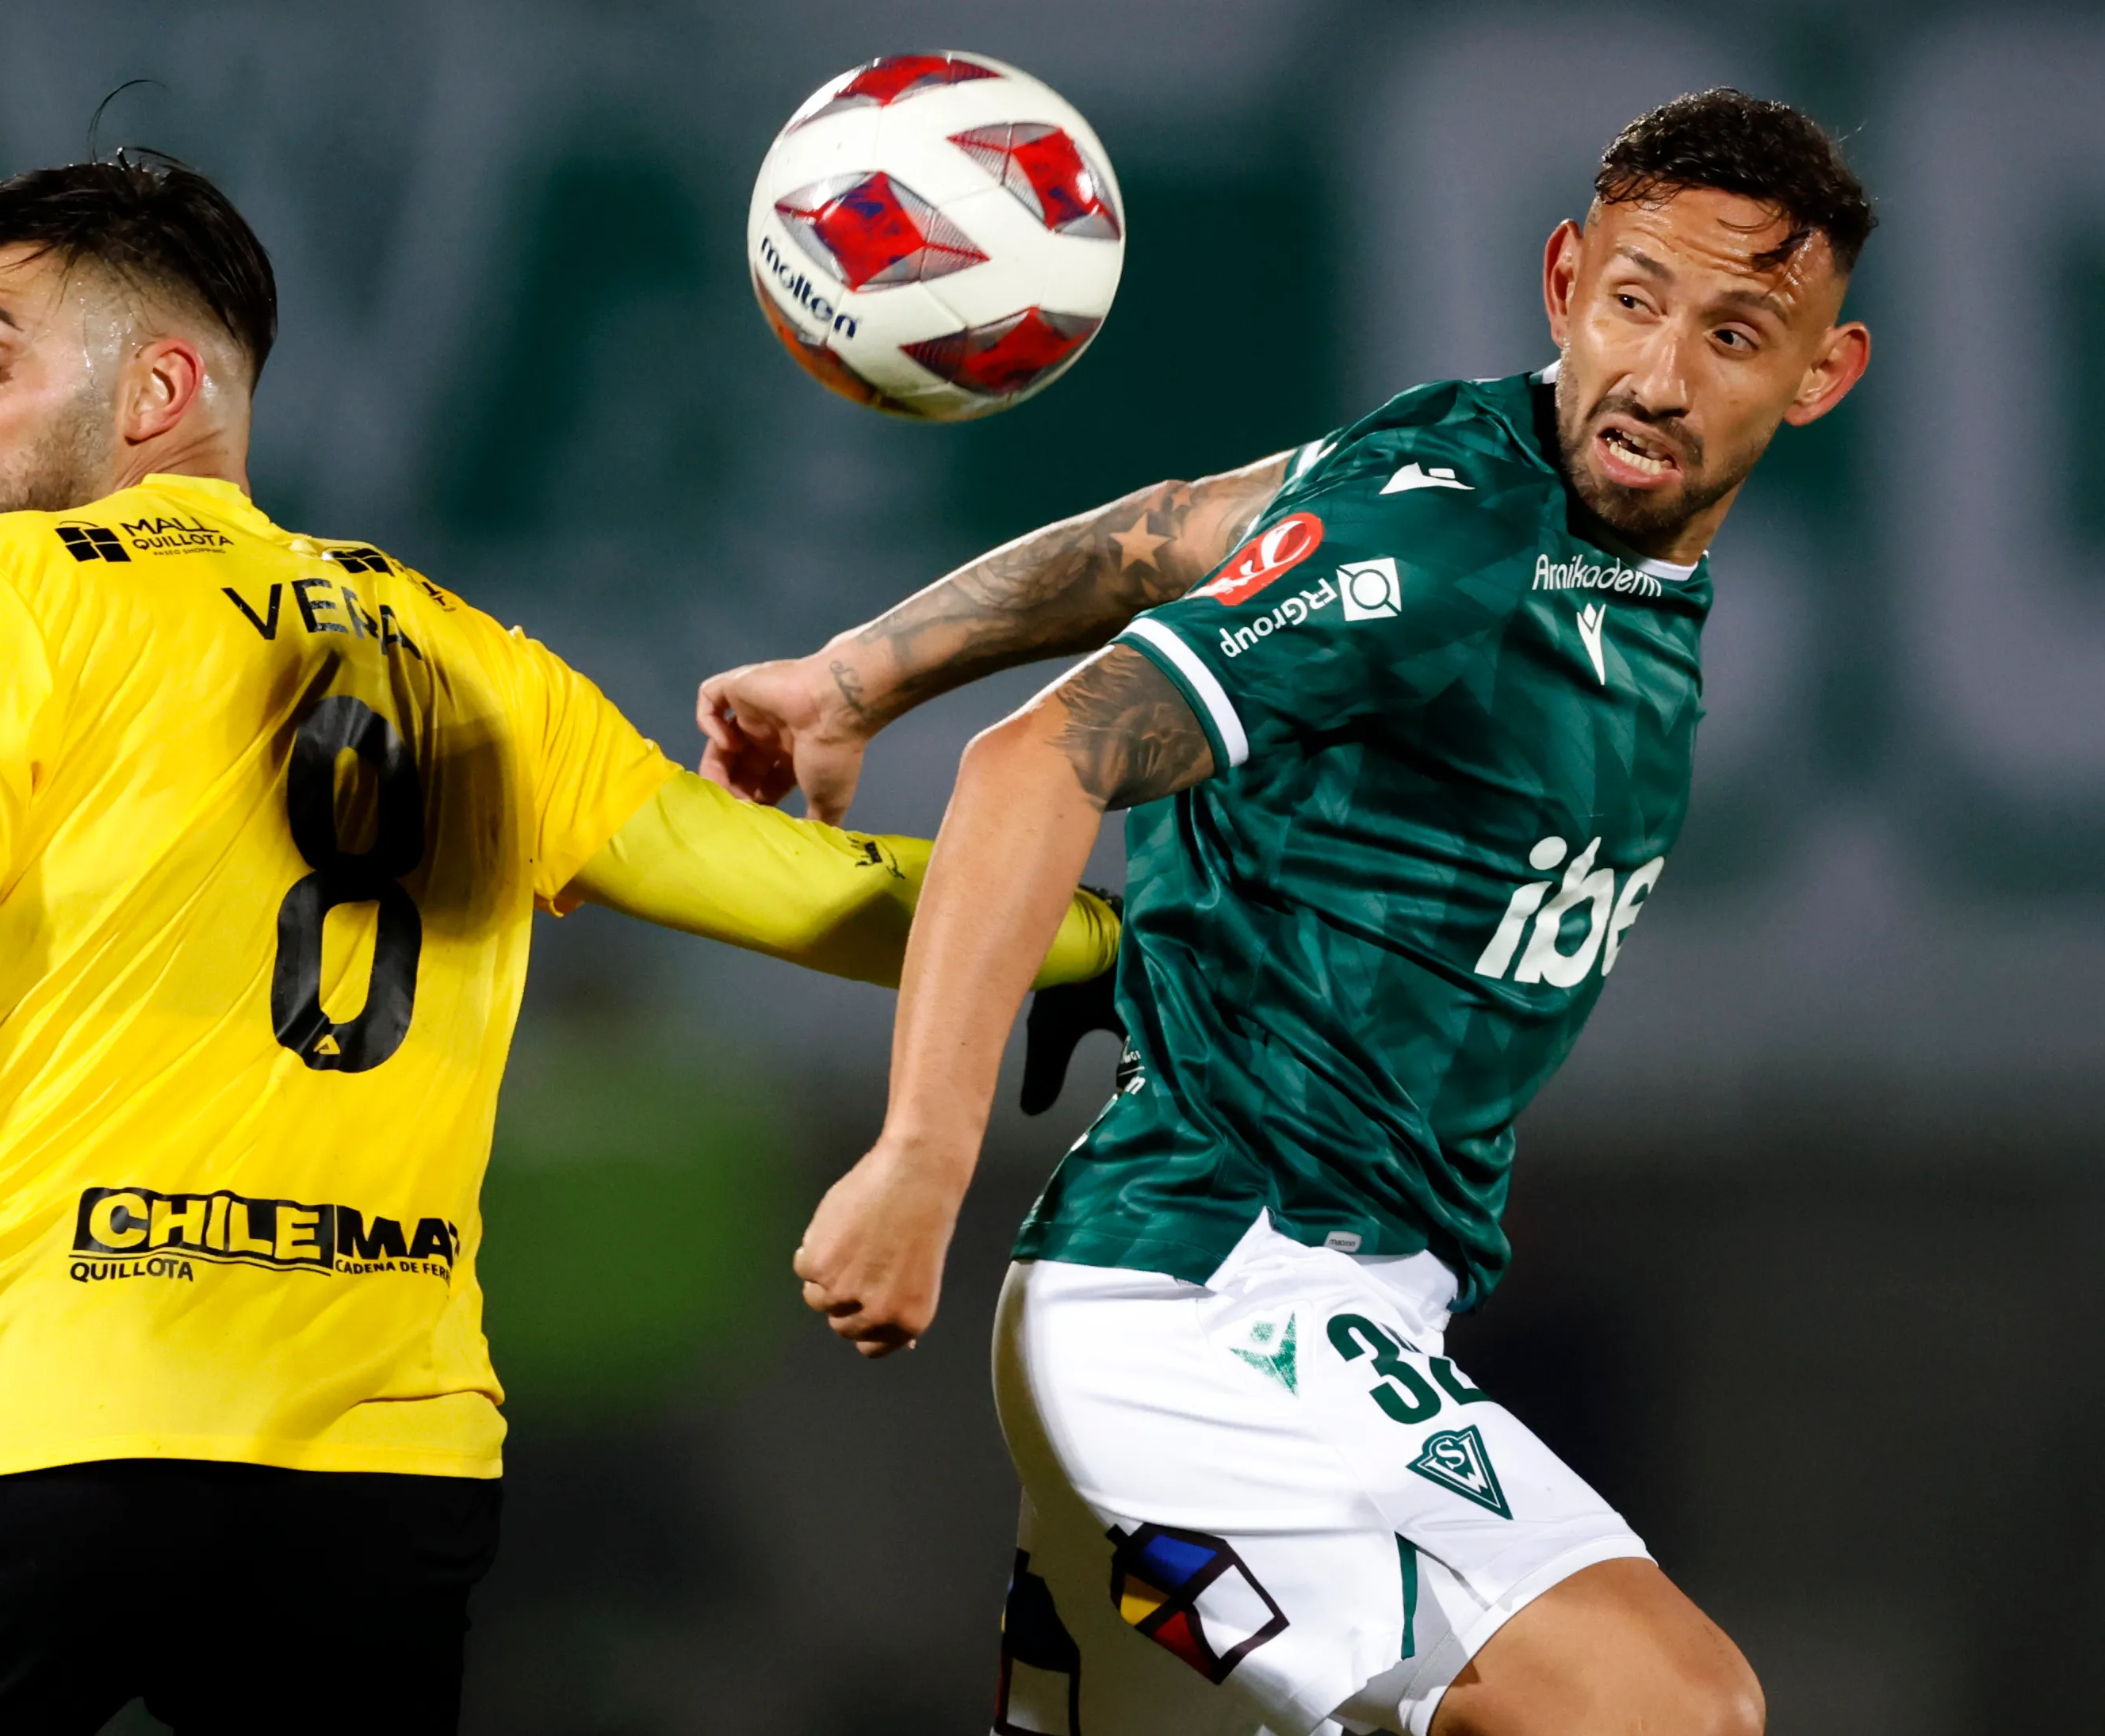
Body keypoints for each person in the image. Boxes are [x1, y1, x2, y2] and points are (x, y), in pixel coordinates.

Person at [0, 152, 1118, 1736]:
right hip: (375, 1484)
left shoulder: (15, 588)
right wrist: (1136, 929)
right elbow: (824, 895)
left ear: (156, 393)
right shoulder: (475, 654)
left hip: (40, 1433)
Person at [697, 90, 1872, 1736]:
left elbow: (1156, 534)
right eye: (1632, 304)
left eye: (1736, 334)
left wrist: (853, 673)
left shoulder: (1463, 486)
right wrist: (919, 1158)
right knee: (1664, 1707)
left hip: (1279, 1311)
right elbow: (1039, 764)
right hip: (1223, 1308)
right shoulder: (1454, 532)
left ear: (1822, 375)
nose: (1661, 377)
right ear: (1561, 283)